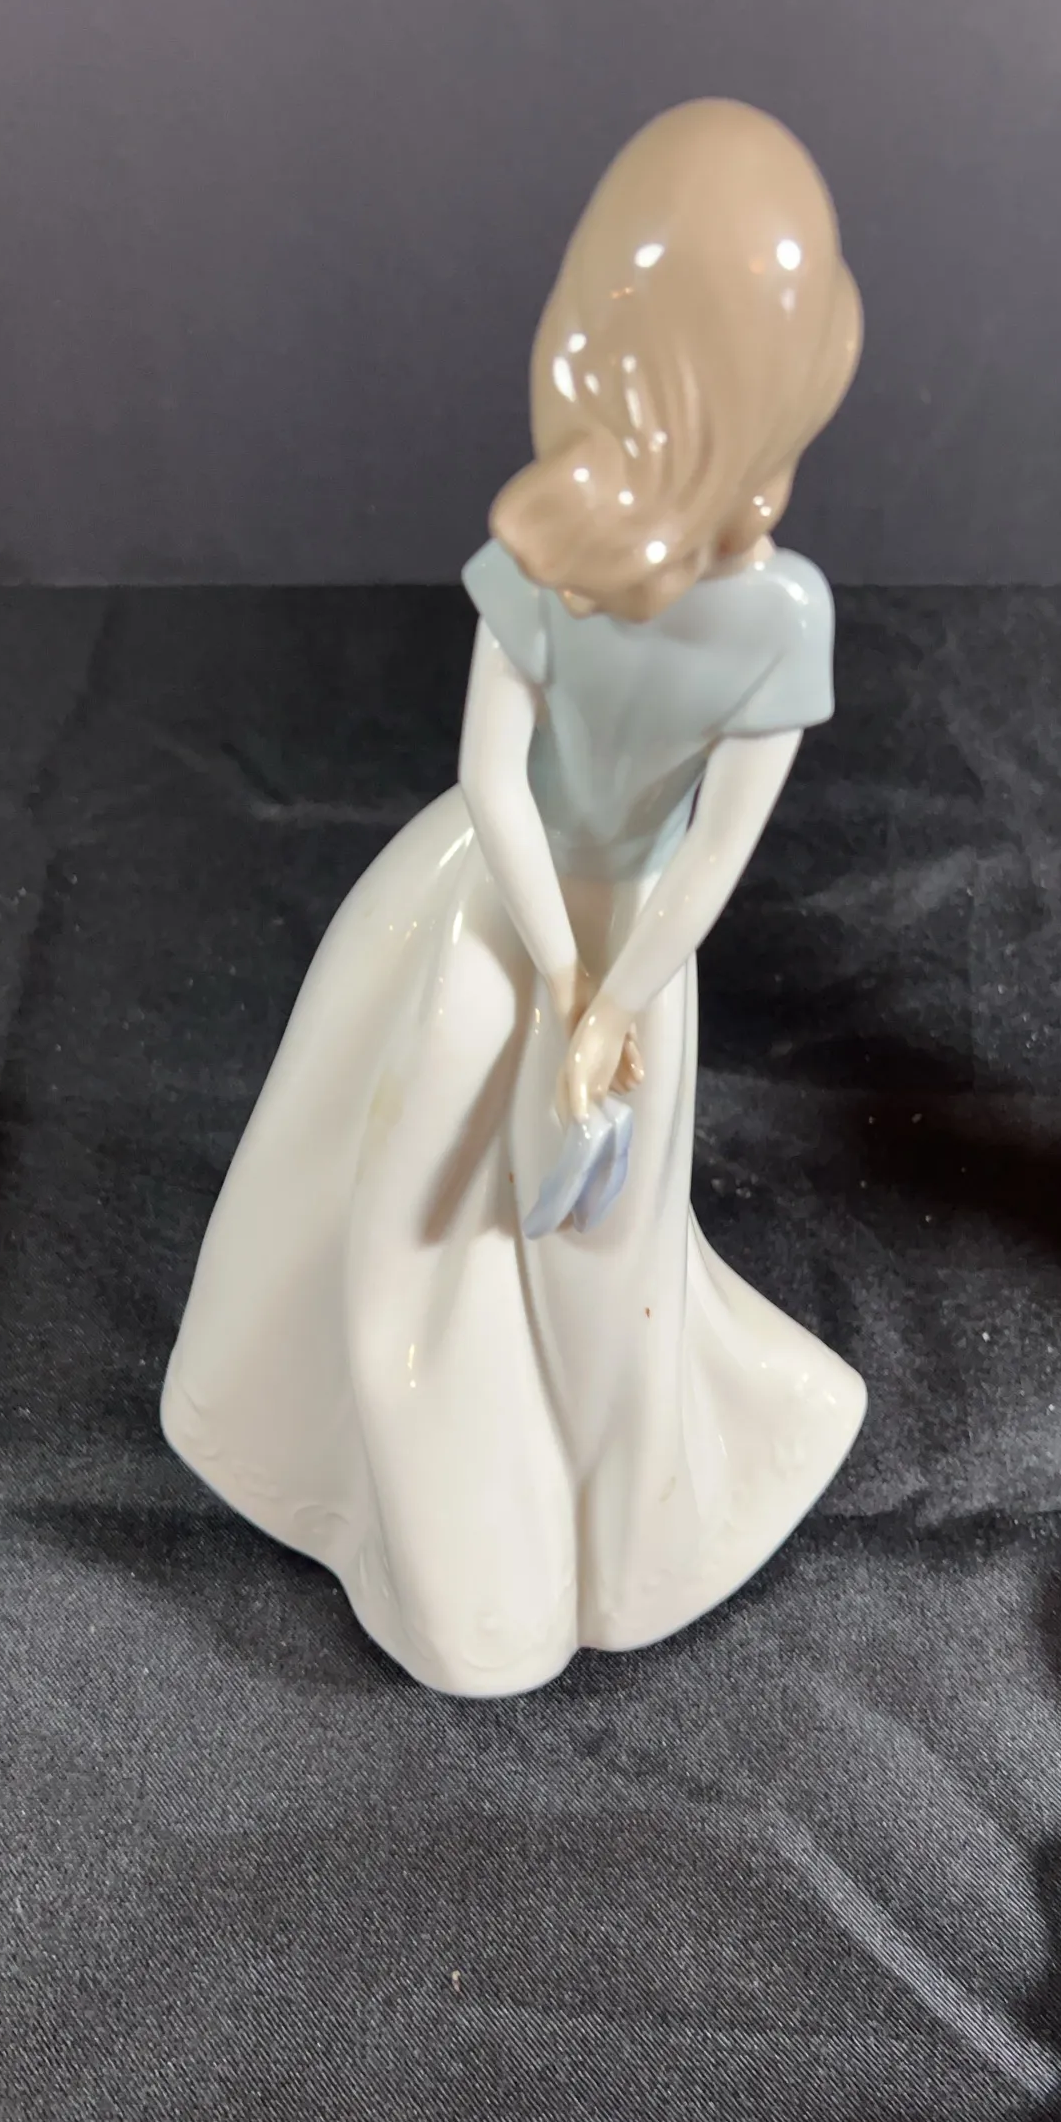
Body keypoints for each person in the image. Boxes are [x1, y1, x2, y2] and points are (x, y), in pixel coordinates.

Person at [162, 99, 868, 1696]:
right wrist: (602, 994)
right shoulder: (746, 606)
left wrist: (570, 983)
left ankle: (544, 1559)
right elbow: (697, 852)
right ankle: (508, 1565)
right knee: (490, 1234)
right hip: (584, 932)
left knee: (467, 1227)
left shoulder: (573, 559)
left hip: (506, 905)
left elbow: (500, 781)